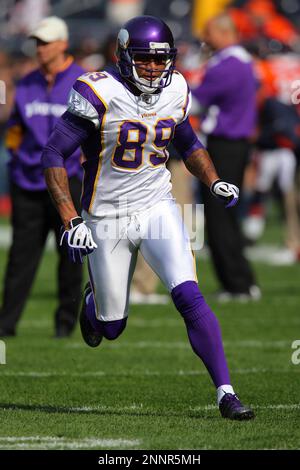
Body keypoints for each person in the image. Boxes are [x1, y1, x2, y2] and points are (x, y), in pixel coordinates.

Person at [42, 15, 254, 420]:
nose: (155, 68)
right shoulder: (97, 91)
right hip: (105, 216)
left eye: (161, 60)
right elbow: (53, 154)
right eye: (145, 60)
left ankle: (226, 393)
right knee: (112, 326)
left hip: (158, 205)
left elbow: (188, 142)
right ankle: (94, 303)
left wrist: (212, 181)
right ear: (124, 56)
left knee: (188, 294)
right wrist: (72, 220)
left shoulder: (175, 88)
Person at [0, 17, 85, 338]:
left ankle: (65, 325)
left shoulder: (83, 82)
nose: (40, 48)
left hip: (67, 182)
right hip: (28, 182)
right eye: (37, 42)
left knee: (71, 256)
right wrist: (14, 158)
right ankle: (6, 324)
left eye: (46, 42)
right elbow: (15, 129)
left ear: (63, 44)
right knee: (21, 258)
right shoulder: (27, 82)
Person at [192, 14, 261, 301]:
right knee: (225, 215)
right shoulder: (241, 62)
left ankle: (237, 283)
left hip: (225, 144)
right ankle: (240, 281)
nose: (205, 39)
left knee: (219, 215)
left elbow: (195, 101)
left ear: (225, 33)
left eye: (210, 33)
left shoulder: (229, 65)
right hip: (234, 143)